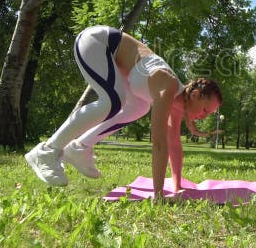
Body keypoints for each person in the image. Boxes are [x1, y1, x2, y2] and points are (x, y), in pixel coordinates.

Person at [24, 25, 222, 198]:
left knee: (139, 106)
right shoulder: (167, 87)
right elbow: (159, 144)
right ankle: (47, 151)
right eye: (206, 110)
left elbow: (173, 144)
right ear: (195, 95)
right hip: (98, 41)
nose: (204, 116)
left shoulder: (174, 102)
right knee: (113, 101)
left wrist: (177, 186)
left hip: (114, 58)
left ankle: (79, 148)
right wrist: (159, 195)